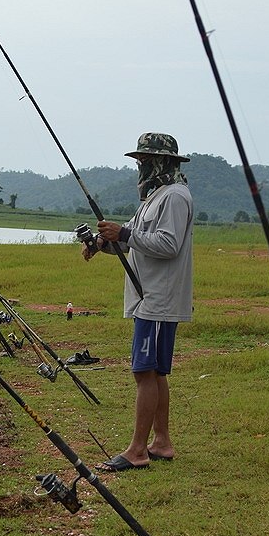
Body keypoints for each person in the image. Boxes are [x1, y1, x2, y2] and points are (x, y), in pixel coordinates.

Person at [83, 132, 194, 471]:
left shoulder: (175, 196)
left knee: (144, 372)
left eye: (146, 161)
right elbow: (131, 240)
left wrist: (125, 234)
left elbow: (168, 244)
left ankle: (137, 451)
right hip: (148, 298)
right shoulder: (154, 197)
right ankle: (161, 442)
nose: (141, 167)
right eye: (139, 161)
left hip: (158, 299)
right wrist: (101, 243)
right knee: (155, 373)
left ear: (164, 162)